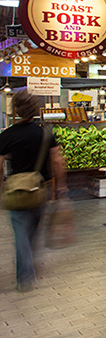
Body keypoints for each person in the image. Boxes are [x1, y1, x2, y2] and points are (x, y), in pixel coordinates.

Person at [0, 91, 65, 291]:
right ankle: (28, 267)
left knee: (20, 232)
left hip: (16, 190)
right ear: (36, 110)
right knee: (33, 231)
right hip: (39, 189)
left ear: (15, 111)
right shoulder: (44, 133)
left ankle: (25, 275)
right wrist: (61, 187)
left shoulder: (7, 135)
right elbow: (57, 161)